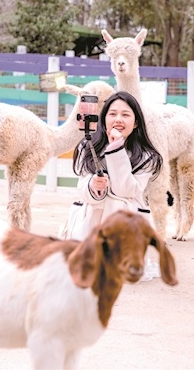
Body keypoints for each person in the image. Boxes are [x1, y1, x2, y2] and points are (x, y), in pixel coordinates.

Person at [63, 91, 163, 280]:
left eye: (125, 115)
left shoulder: (148, 157)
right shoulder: (88, 147)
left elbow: (126, 191)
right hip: (91, 222)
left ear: (136, 123)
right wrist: (94, 186)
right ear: (103, 119)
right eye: (112, 114)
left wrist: (116, 149)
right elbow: (82, 189)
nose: (118, 119)